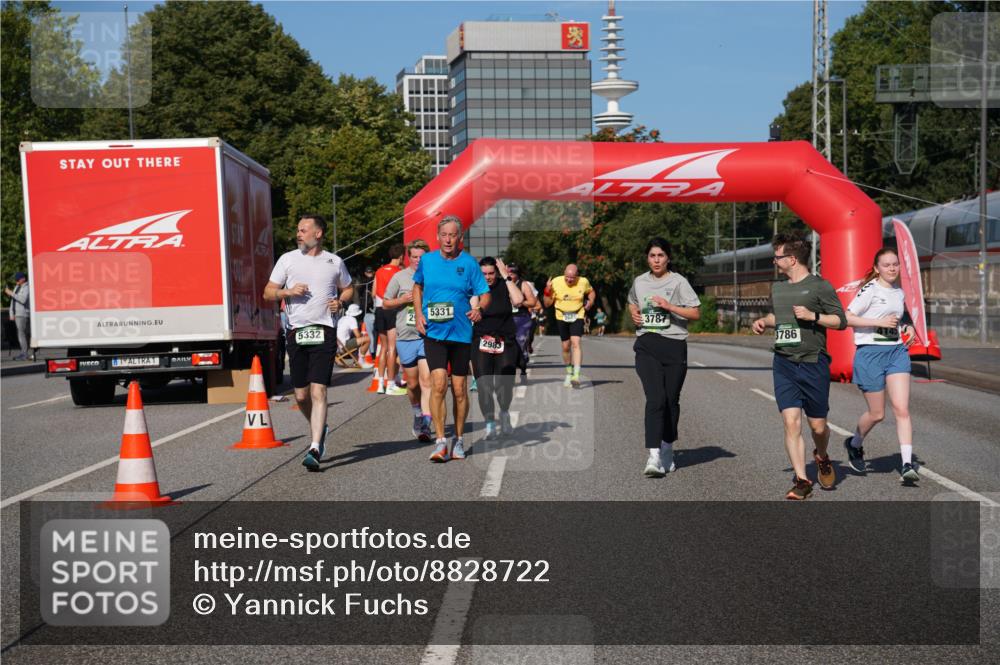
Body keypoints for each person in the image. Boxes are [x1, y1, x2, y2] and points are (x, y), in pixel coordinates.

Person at [752, 232, 847, 500]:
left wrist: (813, 316)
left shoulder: (820, 287)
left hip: (813, 363)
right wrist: (764, 321)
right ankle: (802, 480)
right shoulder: (778, 288)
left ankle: (822, 455)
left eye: (778, 256)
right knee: (791, 423)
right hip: (784, 363)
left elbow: (840, 321)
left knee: (818, 427)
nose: (774, 261)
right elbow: (779, 317)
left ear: (792, 259)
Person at [264, 214, 353, 471]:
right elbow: (268, 291)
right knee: (301, 395)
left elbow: (348, 287)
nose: (298, 234)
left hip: (324, 329)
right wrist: (286, 292)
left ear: (318, 233)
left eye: (303, 230)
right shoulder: (287, 259)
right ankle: (319, 425)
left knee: (319, 391)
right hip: (296, 332)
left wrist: (341, 301)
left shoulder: (334, 261)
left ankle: (315, 446)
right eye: (298, 230)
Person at [413, 216, 490, 462]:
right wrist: (417, 314)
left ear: (460, 238)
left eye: (453, 235)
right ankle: (440, 441)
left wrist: (480, 310)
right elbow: (417, 287)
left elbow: (484, 294)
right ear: (438, 237)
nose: (448, 239)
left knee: (459, 390)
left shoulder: (469, 264)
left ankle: (458, 439)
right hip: (433, 332)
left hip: (460, 334)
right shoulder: (427, 260)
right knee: (438, 384)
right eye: (444, 234)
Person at [843, 247, 920, 483]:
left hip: (896, 352)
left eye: (895, 264)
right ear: (877, 268)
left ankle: (907, 464)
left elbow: (899, 318)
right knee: (877, 414)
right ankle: (854, 444)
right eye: (887, 265)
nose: (892, 268)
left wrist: (906, 327)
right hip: (870, 354)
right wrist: (878, 322)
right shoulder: (870, 290)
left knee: (902, 409)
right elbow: (846, 317)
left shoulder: (898, 292)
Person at [627, 239, 701, 478]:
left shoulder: (678, 282)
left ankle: (668, 447)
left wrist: (670, 306)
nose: (656, 260)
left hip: (674, 345)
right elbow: (632, 302)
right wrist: (634, 314)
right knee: (655, 399)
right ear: (647, 258)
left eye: (660, 255)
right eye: (652, 255)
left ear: (668, 258)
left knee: (671, 400)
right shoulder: (640, 281)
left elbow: (695, 313)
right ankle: (653, 456)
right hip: (647, 345)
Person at [383, 239, 434, 442]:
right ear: (408, 258)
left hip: (427, 335)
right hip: (406, 337)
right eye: (414, 257)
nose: (417, 260)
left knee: (426, 380)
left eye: (421, 257)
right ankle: (417, 413)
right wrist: (402, 300)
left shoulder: (433, 276)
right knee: (412, 384)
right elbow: (385, 303)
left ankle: (427, 422)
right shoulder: (399, 277)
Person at [473, 257, 525, 440]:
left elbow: (518, 300)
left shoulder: (504, 284)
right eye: (484, 274)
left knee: (505, 383)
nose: (487, 277)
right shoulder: (474, 286)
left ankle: (504, 413)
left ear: (496, 272)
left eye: (491, 273)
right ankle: (489, 424)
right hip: (481, 339)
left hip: (505, 340)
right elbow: (473, 307)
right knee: (483, 385)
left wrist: (506, 276)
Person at [543, 264, 596, 388]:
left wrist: (591, 301)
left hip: (578, 314)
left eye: (572, 278)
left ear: (577, 276)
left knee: (576, 342)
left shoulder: (583, 282)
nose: (569, 280)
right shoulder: (556, 282)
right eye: (567, 277)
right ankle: (569, 372)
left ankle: (576, 376)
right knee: (566, 347)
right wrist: (547, 290)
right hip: (561, 316)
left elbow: (591, 291)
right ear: (564, 274)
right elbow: (547, 304)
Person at [373, 244, 406, 395]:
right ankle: (391, 383)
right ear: (401, 257)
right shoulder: (399, 272)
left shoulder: (379, 271)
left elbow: (374, 293)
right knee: (393, 348)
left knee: (384, 348)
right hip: (392, 309)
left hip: (379, 309)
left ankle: (380, 383)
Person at [507, 264, 538, 384]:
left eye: (512, 273)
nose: (510, 275)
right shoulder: (503, 283)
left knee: (520, 344)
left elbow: (533, 302)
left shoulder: (524, 285)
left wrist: (520, 302)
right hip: (507, 318)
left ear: (517, 274)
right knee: (506, 346)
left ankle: (523, 370)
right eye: (508, 273)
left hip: (521, 319)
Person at [353, 266, 377, 361]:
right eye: (368, 272)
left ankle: (371, 351)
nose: (369, 274)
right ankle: (363, 351)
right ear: (365, 273)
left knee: (371, 331)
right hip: (364, 308)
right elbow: (358, 291)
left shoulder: (374, 281)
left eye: (371, 272)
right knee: (365, 330)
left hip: (371, 308)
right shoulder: (363, 282)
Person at [5, 272, 30, 360]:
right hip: (17, 314)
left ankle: (24, 354)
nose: (16, 281)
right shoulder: (17, 287)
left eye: (17, 279)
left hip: (23, 314)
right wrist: (11, 314)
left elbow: (23, 300)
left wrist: (11, 293)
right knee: (21, 334)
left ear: (23, 279)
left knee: (22, 334)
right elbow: (13, 301)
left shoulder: (27, 287)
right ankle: (24, 353)